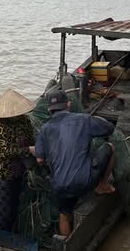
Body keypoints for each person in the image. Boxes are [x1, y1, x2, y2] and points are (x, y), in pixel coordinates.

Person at [32, 89, 115, 237]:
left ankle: (65, 243)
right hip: (86, 182)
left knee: (64, 215)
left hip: (60, 186)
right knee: (110, 148)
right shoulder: (83, 119)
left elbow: (39, 158)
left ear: (49, 110)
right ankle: (102, 186)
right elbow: (109, 129)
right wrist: (93, 120)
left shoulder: (45, 129)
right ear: (68, 105)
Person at [0, 88, 36, 234]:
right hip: (1, 174)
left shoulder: (24, 121)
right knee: (3, 211)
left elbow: (31, 139)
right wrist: (28, 150)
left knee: (16, 205)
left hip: (19, 171)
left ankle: (13, 233)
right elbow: (3, 152)